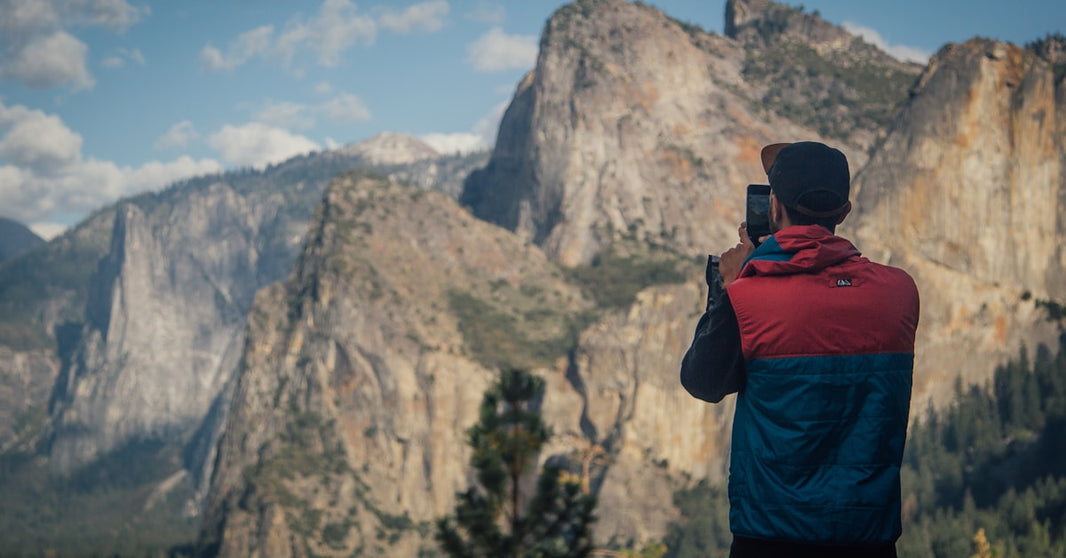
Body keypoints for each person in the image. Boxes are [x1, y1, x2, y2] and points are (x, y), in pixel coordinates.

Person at [680, 141, 920, 558]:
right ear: (843, 213)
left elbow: (703, 381)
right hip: (869, 539)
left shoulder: (749, 298)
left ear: (774, 208)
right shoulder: (900, 292)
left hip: (769, 539)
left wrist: (731, 286)